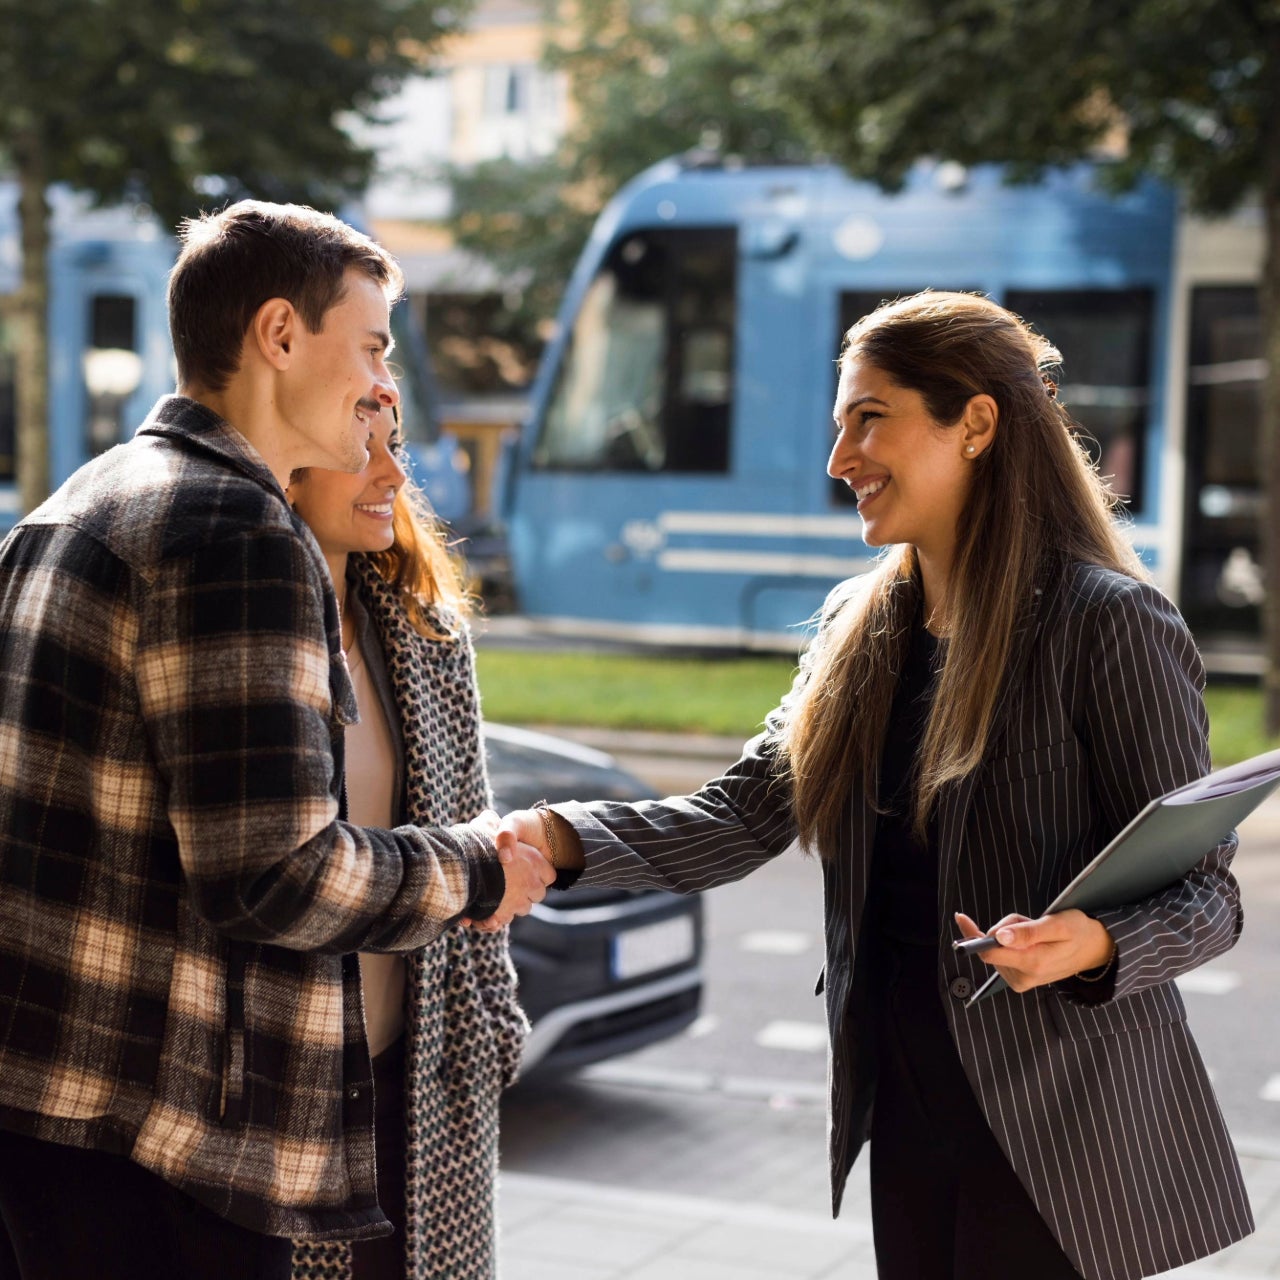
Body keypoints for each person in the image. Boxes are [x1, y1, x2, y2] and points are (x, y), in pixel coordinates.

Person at [496, 291, 1254, 1280]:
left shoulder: (1104, 622)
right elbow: (745, 812)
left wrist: (1095, 941)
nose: (838, 460)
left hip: (1056, 1133)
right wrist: (553, 834)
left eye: (868, 419)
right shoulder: (859, 624)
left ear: (974, 423)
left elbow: (1208, 892)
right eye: (837, 425)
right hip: (903, 1102)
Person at [0, 201, 551, 1280]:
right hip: (163, 1159)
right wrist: (479, 867)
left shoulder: (75, 505)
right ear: (280, 336)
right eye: (374, 345)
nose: (379, 384)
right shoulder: (237, 527)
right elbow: (275, 875)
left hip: (44, 1115)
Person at [287, 406, 524, 1280]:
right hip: (293, 1092)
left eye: (398, 450)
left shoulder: (424, 633)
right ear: (287, 463)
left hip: (423, 1071)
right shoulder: (248, 633)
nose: (392, 475)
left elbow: (477, 832)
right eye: (364, 450)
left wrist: (494, 1024)